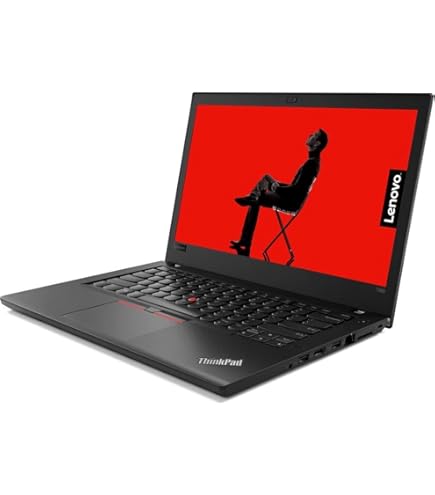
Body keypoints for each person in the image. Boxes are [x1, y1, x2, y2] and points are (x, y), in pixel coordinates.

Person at [230, 129, 328, 257]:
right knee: (266, 178)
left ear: (317, 143)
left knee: (258, 197)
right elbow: (295, 187)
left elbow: (296, 191)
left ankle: (245, 239)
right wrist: (278, 186)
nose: (310, 135)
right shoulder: (313, 162)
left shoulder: (311, 164)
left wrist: (277, 188)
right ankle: (251, 201)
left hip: (290, 202)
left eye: (314, 135)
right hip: (290, 197)